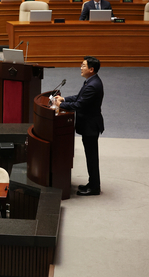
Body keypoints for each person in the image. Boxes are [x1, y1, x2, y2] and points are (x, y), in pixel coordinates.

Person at [54, 56, 104, 196]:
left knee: (92, 158)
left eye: (83, 66)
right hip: (89, 125)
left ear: (91, 69)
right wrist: (64, 99)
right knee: (91, 157)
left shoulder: (93, 85)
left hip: (91, 127)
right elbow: (79, 97)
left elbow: (79, 105)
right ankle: (92, 183)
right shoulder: (91, 81)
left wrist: (61, 105)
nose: (80, 68)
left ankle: (94, 187)